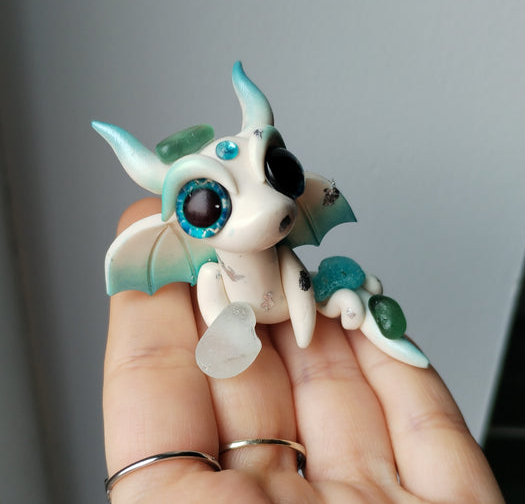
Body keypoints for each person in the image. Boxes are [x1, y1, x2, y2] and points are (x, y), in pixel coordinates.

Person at [103, 198, 504, 503]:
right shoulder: (211, 270)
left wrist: (304, 327)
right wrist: (232, 326)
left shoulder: (283, 256)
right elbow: (215, 306)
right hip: (243, 315)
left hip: (288, 306)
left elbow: (299, 286)